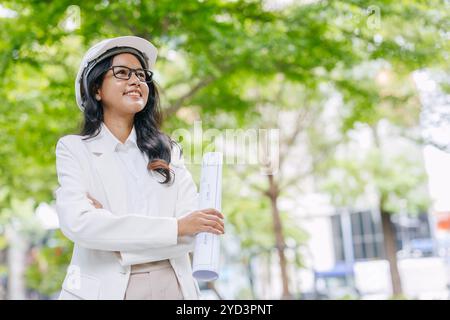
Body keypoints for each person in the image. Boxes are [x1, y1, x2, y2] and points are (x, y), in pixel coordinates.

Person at [55, 36, 225, 300]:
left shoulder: (168, 150)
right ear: (96, 89)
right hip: (106, 291)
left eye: (141, 75)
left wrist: (112, 231)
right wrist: (175, 228)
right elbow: (80, 225)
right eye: (122, 73)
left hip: (174, 288)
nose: (136, 81)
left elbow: (194, 233)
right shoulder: (74, 149)